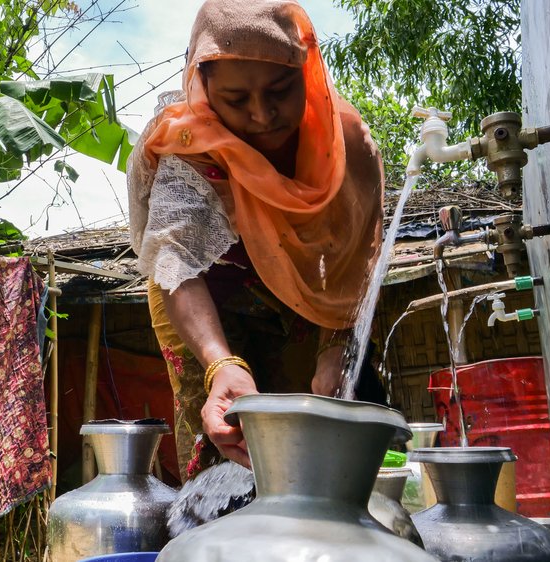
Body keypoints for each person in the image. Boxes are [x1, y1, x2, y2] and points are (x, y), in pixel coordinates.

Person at [127, 0, 386, 481]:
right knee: (229, 442)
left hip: (308, 303)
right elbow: (175, 263)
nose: (263, 115)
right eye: (236, 100)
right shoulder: (188, 148)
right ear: (203, 89)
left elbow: (359, 259)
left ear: (306, 75)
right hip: (202, 302)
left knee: (313, 439)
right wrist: (219, 363)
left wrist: (337, 348)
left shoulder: (345, 146)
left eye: (281, 91)